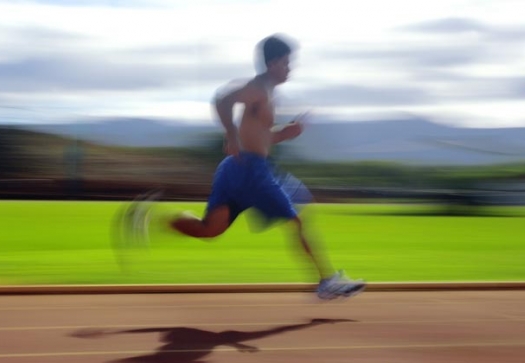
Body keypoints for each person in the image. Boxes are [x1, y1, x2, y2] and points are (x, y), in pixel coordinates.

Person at [137, 34, 364, 300]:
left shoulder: (267, 93)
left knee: (210, 229)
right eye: (286, 63)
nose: (290, 69)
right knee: (297, 218)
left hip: (237, 168)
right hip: (251, 172)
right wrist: (231, 134)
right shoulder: (258, 87)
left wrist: (286, 133)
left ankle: (151, 216)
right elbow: (222, 100)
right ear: (273, 63)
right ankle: (326, 281)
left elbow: (259, 136)